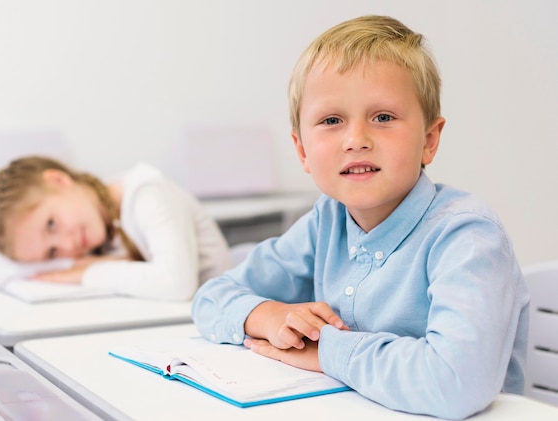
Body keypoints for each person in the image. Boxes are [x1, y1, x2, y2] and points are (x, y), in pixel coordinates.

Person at [191, 15, 528, 419]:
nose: (356, 140)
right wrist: (267, 316)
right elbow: (210, 299)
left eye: (383, 117)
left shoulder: (466, 236)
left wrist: (327, 349)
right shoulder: (326, 221)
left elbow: (456, 383)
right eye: (331, 121)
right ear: (302, 151)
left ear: (429, 140)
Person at [0, 155, 233, 301]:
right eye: (52, 252)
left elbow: (177, 284)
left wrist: (87, 273)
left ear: (59, 180)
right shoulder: (101, 226)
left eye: (51, 225)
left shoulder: (147, 195)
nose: (67, 246)